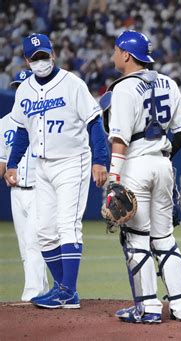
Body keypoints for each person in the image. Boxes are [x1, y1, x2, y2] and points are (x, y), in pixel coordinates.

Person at [4, 33, 109, 309]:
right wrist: (13, 163)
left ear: (53, 54)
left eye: (44, 55)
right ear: (27, 60)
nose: (41, 61)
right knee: (44, 231)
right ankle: (63, 288)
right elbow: (22, 132)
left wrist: (100, 160)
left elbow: (94, 123)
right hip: (42, 164)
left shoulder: (72, 83)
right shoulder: (24, 91)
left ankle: (68, 292)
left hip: (73, 161)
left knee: (67, 225)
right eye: (35, 58)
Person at [104, 30, 181, 323]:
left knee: (137, 239)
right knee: (165, 237)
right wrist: (166, 154)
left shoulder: (123, 88)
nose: (114, 55)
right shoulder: (168, 81)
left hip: (136, 165)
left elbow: (119, 139)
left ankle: (148, 307)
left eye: (117, 50)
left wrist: (113, 178)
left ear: (127, 55)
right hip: (162, 164)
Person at [0, 70, 49, 302]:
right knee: (25, 249)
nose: (20, 89)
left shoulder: (45, 118)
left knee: (33, 243)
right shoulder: (3, 123)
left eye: (23, 85)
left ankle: (31, 296)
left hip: (40, 189)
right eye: (17, 86)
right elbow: (1, 160)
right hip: (16, 192)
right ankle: (44, 292)